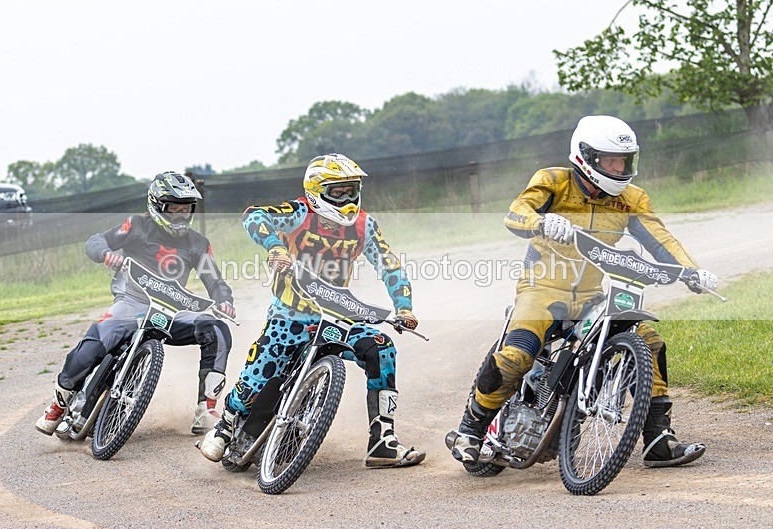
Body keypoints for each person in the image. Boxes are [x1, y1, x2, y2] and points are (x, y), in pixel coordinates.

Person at [449, 116, 718, 468]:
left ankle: (657, 440)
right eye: (610, 161)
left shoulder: (632, 198)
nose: (619, 168)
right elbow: (516, 213)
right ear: (586, 157)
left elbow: (661, 239)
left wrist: (693, 271)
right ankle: (470, 431)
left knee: (649, 341)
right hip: (542, 289)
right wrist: (541, 222)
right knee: (517, 356)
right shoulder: (553, 182)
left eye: (624, 161)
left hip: (591, 296)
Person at [200, 153, 425, 468]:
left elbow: (390, 265)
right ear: (316, 190)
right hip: (290, 314)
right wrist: (275, 246)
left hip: (337, 316)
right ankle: (226, 422)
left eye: (352, 190)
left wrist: (403, 307)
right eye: (338, 192)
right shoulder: (299, 212)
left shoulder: (364, 225)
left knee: (382, 348)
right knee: (262, 368)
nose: (347, 199)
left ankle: (382, 442)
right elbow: (254, 216)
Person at [35, 171, 237, 437]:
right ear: (156, 205)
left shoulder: (199, 243)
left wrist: (224, 301)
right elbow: (96, 241)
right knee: (94, 344)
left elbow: (216, 282)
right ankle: (59, 402)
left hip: (171, 312)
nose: (180, 215)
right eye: (173, 208)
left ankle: (206, 408)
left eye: (186, 209)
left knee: (219, 331)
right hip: (132, 303)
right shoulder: (136, 225)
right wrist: (105, 254)